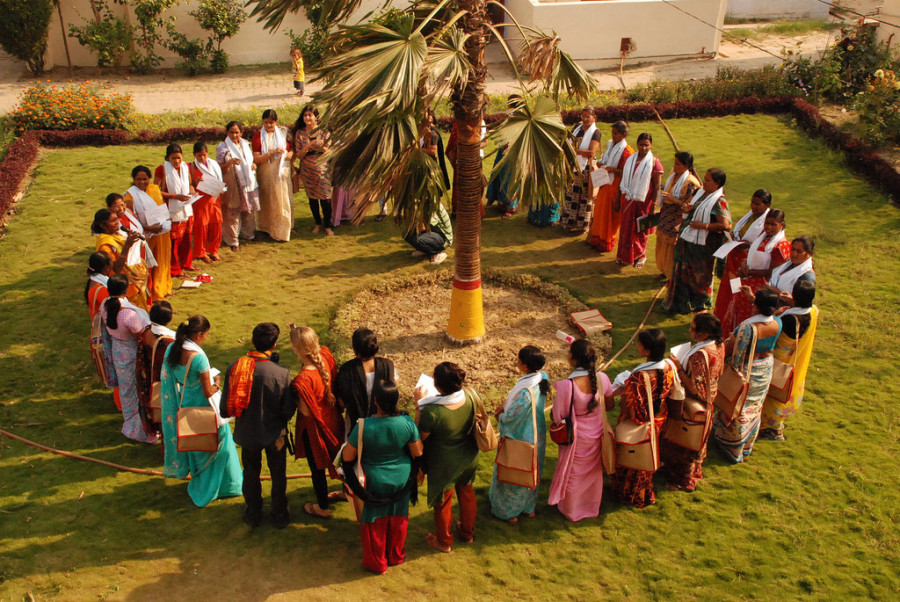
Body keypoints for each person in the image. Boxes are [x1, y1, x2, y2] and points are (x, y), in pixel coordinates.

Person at [160, 315, 243, 506]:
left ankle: (201, 484)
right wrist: (217, 383)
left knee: (197, 446)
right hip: (204, 407)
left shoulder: (173, 348)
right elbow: (207, 391)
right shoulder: (198, 358)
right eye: (205, 335)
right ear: (198, 335)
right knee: (219, 445)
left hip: (186, 403)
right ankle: (226, 486)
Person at [220, 323, 296, 528]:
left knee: (251, 473)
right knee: (278, 474)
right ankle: (280, 515)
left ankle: (254, 513)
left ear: (253, 341)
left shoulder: (235, 367)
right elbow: (288, 410)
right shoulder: (281, 372)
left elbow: (225, 406)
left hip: (248, 433)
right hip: (274, 434)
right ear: (274, 345)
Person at [342, 380, 423, 574]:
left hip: (373, 481)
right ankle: (396, 556)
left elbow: (347, 457)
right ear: (396, 400)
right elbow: (418, 452)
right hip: (402, 479)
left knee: (374, 522)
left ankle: (377, 562)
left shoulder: (364, 426)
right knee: (398, 519)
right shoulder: (407, 423)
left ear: (376, 400)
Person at [414, 361, 479, 553]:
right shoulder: (471, 396)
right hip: (469, 457)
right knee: (467, 492)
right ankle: (467, 533)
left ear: (437, 384)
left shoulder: (432, 412)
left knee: (442, 501)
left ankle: (444, 542)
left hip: (445, 463)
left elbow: (419, 437)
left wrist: (419, 406)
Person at [712, 289, 782, 463]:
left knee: (738, 407)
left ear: (756, 307)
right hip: (765, 368)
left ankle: (732, 446)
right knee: (755, 406)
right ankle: (747, 445)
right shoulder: (778, 323)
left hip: (746, 371)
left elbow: (735, 353)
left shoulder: (748, 328)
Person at [547, 339, 613, 521]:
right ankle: (590, 507)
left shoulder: (567, 386)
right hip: (597, 433)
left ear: (574, 360)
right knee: (593, 473)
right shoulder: (603, 379)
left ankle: (571, 510)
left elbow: (557, 417)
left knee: (573, 473)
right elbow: (610, 404)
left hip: (576, 438)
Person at [659, 314, 726, 491]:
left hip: (695, 402)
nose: (690, 331)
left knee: (684, 442)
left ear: (704, 334)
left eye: (693, 328)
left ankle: (683, 480)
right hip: (709, 401)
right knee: (694, 442)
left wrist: (677, 366)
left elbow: (695, 387)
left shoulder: (700, 355)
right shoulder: (719, 345)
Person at [611, 329, 676, 508]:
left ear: (647, 351)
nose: (637, 345)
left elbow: (633, 409)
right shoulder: (669, 367)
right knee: (649, 455)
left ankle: (633, 494)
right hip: (659, 419)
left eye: (639, 344)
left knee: (634, 462)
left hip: (640, 424)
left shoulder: (639, 377)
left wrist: (624, 389)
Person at [490, 345, 549, 523]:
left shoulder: (525, 392)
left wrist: (500, 415)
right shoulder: (541, 378)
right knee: (532, 473)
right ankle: (528, 508)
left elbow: (510, 418)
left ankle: (508, 512)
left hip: (520, 438)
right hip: (537, 434)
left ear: (524, 366)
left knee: (514, 476)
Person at [290, 325, 343, 518]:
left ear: (295, 349)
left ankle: (323, 506)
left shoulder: (302, 380)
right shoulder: (326, 356)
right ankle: (347, 491)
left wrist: (291, 397)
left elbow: (305, 411)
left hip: (315, 429)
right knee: (341, 457)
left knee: (318, 468)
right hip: (333, 419)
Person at [663, 168, 732, 315]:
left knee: (699, 276)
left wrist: (704, 226)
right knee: (682, 272)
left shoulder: (719, 201)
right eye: (705, 179)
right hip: (686, 241)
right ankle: (680, 303)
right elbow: (688, 207)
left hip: (703, 248)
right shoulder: (699, 192)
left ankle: (701, 306)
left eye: (708, 180)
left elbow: (725, 225)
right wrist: (687, 208)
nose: (704, 182)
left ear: (717, 184)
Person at [99, 274, 158, 444]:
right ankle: (141, 430)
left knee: (127, 392)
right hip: (132, 354)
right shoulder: (128, 315)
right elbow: (142, 335)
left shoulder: (105, 305)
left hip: (117, 351)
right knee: (139, 390)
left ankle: (130, 425)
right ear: (126, 290)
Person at [759, 280, 819, 441]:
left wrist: (777, 313)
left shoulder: (791, 319)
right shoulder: (813, 311)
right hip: (796, 359)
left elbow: (773, 328)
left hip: (781, 360)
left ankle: (771, 428)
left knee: (773, 394)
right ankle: (775, 425)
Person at [720, 209, 790, 333]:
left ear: (782, 225)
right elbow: (753, 255)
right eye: (767, 223)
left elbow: (771, 272)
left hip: (760, 290)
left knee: (749, 319)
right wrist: (744, 262)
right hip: (746, 284)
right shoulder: (762, 237)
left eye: (773, 224)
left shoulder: (780, 246)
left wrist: (750, 272)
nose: (769, 227)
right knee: (736, 312)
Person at [711, 189, 772, 319]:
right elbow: (740, 231)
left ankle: (733, 316)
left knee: (738, 291)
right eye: (752, 203)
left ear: (767, 205)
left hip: (745, 264)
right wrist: (733, 236)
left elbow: (764, 244)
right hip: (734, 259)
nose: (753, 206)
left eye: (757, 204)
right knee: (729, 289)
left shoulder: (767, 223)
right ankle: (724, 315)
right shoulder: (749, 216)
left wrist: (748, 244)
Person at [615, 132, 664, 268]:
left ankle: (641, 255)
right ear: (637, 144)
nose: (643, 148)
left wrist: (654, 204)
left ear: (651, 145)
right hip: (628, 198)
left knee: (640, 229)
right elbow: (623, 180)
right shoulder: (630, 160)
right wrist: (618, 199)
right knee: (626, 228)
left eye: (646, 145)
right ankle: (624, 256)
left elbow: (657, 186)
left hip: (644, 201)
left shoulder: (654, 162)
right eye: (641, 144)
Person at [334, 327, 398, 430]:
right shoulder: (388, 365)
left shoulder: (347, 369)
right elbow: (392, 390)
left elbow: (342, 402)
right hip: (384, 425)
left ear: (354, 348)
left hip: (356, 426)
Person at [124, 165, 172, 300]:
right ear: (134, 179)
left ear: (150, 178)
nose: (142, 182)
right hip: (146, 235)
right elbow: (131, 218)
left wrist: (166, 219)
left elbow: (160, 208)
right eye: (138, 179)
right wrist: (148, 228)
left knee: (163, 259)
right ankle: (153, 292)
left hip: (161, 231)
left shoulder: (154, 189)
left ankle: (163, 287)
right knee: (150, 263)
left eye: (145, 179)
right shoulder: (130, 195)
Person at [587, 120, 633, 252]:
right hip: (604, 184)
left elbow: (627, 172)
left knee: (609, 216)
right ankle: (596, 239)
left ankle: (606, 242)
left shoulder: (627, 151)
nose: (613, 136)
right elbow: (605, 159)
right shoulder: (611, 145)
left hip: (615, 187)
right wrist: (601, 164)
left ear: (624, 135)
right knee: (600, 212)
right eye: (613, 133)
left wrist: (613, 170)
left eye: (616, 134)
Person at [654, 152, 701, 281]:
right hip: (666, 214)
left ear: (686, 166)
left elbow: (689, 205)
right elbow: (669, 190)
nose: (675, 166)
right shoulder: (673, 175)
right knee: (662, 243)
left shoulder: (691, 183)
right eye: (675, 163)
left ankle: (672, 274)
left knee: (672, 247)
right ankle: (663, 270)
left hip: (677, 217)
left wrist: (674, 199)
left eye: (678, 164)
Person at [92, 208, 150, 309]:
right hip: (124, 286)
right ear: (103, 225)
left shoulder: (116, 234)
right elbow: (116, 269)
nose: (117, 223)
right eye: (113, 221)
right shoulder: (105, 245)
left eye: (117, 219)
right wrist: (127, 245)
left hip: (133, 282)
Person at [86, 251, 121, 410]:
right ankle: (121, 405)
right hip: (109, 334)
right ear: (107, 268)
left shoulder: (94, 283)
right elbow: (115, 313)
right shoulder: (101, 290)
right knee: (118, 371)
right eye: (111, 263)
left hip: (104, 332)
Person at [135, 300, 175, 439]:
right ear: (169, 318)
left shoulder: (145, 332)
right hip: (162, 382)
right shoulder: (169, 341)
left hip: (148, 377)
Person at [154, 144, 196, 278]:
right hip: (171, 210)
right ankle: (174, 269)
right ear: (168, 158)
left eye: (178, 158)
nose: (177, 161)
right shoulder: (161, 169)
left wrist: (192, 190)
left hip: (186, 208)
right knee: (174, 242)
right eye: (173, 158)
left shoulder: (186, 167)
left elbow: (189, 184)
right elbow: (156, 191)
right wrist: (175, 196)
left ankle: (186, 263)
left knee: (186, 238)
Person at [217, 121, 260, 251]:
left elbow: (251, 161)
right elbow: (219, 169)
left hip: (248, 183)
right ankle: (232, 240)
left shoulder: (245, 145)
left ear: (241, 133)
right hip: (233, 184)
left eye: (237, 132)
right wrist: (229, 163)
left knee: (249, 211)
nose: (234, 135)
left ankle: (249, 235)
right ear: (227, 132)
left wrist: (254, 165)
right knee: (232, 213)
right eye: (231, 132)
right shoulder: (223, 148)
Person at [253, 109, 294, 242]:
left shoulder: (283, 133)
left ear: (276, 122)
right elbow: (256, 158)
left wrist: (289, 155)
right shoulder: (258, 136)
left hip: (282, 172)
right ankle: (266, 228)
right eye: (266, 122)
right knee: (268, 200)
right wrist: (272, 153)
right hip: (266, 172)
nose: (269, 125)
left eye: (271, 122)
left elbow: (292, 149)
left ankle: (283, 229)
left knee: (283, 199)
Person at [560, 107, 603, 234]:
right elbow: (568, 142)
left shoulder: (596, 132)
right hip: (573, 166)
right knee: (570, 194)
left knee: (584, 197)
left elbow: (591, 152)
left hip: (585, 169)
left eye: (588, 117)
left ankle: (582, 225)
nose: (585, 119)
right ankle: (568, 222)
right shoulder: (577, 127)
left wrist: (573, 150)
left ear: (594, 118)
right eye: (583, 116)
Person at [292, 105, 333, 236]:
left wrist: (321, 147)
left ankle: (327, 225)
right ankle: (317, 223)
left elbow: (330, 152)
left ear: (316, 117)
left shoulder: (324, 132)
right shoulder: (300, 133)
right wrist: (309, 146)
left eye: (310, 115)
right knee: (312, 198)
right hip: (307, 170)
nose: (307, 117)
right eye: (305, 115)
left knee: (325, 198)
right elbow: (298, 155)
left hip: (322, 168)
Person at [486, 96, 522, 219]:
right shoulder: (509, 116)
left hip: (513, 152)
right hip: (503, 150)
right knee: (498, 175)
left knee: (510, 179)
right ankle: (500, 201)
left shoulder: (520, 118)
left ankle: (510, 206)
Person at [188, 141, 224, 263]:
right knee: (201, 226)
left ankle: (214, 250)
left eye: (204, 155)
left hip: (214, 198)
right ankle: (200, 252)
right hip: (201, 199)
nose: (202, 158)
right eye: (199, 155)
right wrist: (195, 182)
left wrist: (222, 189)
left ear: (207, 153)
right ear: (194, 155)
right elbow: (189, 184)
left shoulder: (213, 164)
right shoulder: (191, 167)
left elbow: (220, 180)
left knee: (216, 224)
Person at [765, 236, 816, 305]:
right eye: (793, 249)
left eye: (799, 251)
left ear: (809, 254)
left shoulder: (807, 276)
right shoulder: (787, 264)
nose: (794, 254)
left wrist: (779, 293)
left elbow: (802, 305)